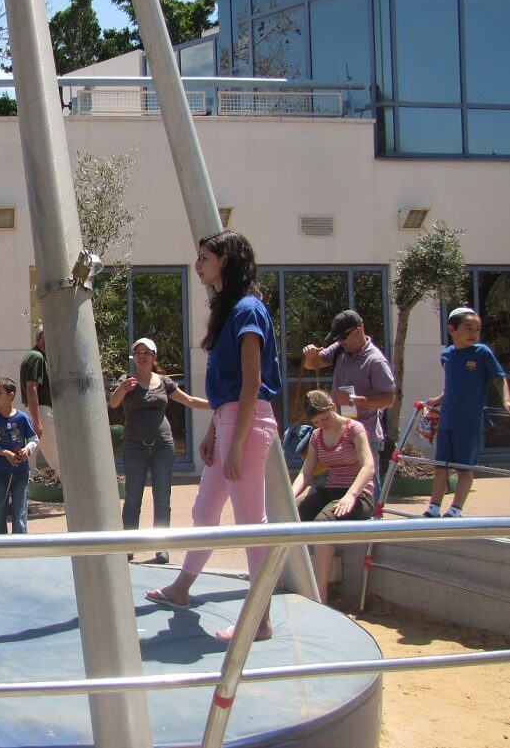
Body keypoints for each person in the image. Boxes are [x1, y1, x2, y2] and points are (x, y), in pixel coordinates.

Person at [145, 231, 281, 643]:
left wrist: (235, 442)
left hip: (247, 424)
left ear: (227, 260)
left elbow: (252, 381)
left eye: (205, 257)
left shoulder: (247, 309)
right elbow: (231, 388)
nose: (198, 264)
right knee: (205, 512)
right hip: (231, 421)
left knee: (249, 526)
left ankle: (259, 619)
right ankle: (181, 589)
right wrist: (215, 433)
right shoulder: (230, 311)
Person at [109, 338, 209, 565]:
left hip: (163, 446)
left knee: (162, 498)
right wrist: (122, 389)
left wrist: (219, 404)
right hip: (135, 447)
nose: (141, 356)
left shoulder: (164, 382)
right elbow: (113, 404)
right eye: (137, 352)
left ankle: (161, 546)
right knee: (133, 498)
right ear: (134, 357)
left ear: (154, 357)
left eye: (146, 352)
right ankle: (128, 545)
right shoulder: (128, 381)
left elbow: (190, 400)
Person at [422, 307, 510, 518]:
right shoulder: (446, 355)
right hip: (447, 419)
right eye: (468, 328)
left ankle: (455, 509)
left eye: (477, 329)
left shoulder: (482, 353)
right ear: (452, 329)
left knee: (464, 467)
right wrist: (439, 399)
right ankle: (433, 507)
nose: (473, 333)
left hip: (469, 421)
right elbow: (453, 385)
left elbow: (499, 377)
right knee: (441, 466)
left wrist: (506, 399)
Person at [291, 389, 376, 602]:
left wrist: (351, 495)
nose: (323, 424)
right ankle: (289, 582)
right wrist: (289, 495)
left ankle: (320, 596)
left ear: (333, 408)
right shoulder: (317, 436)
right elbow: (306, 472)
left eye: (326, 418)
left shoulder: (354, 429)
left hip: (358, 495)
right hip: (331, 491)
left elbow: (368, 467)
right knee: (292, 515)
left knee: (323, 523)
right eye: (318, 422)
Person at [301, 309, 395, 488]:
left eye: (343, 337)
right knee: (334, 483)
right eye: (337, 338)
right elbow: (312, 365)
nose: (339, 342)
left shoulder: (375, 361)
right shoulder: (339, 350)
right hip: (335, 431)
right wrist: (309, 356)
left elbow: (389, 399)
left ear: (359, 331)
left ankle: (373, 515)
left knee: (366, 483)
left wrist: (356, 400)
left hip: (364, 433)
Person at [0, 377, 38, 535]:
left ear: (11, 395)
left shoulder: (22, 418)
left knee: (20, 511)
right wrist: (3, 452)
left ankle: (20, 546)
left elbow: (34, 439)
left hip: (21, 472)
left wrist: (27, 449)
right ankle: (1, 545)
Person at [20, 325, 61, 482]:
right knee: (58, 459)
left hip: (38, 410)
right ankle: (74, 497)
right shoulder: (36, 357)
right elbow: (31, 388)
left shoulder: (38, 356)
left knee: (29, 457)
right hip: (41, 410)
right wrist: (37, 421)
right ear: (41, 337)